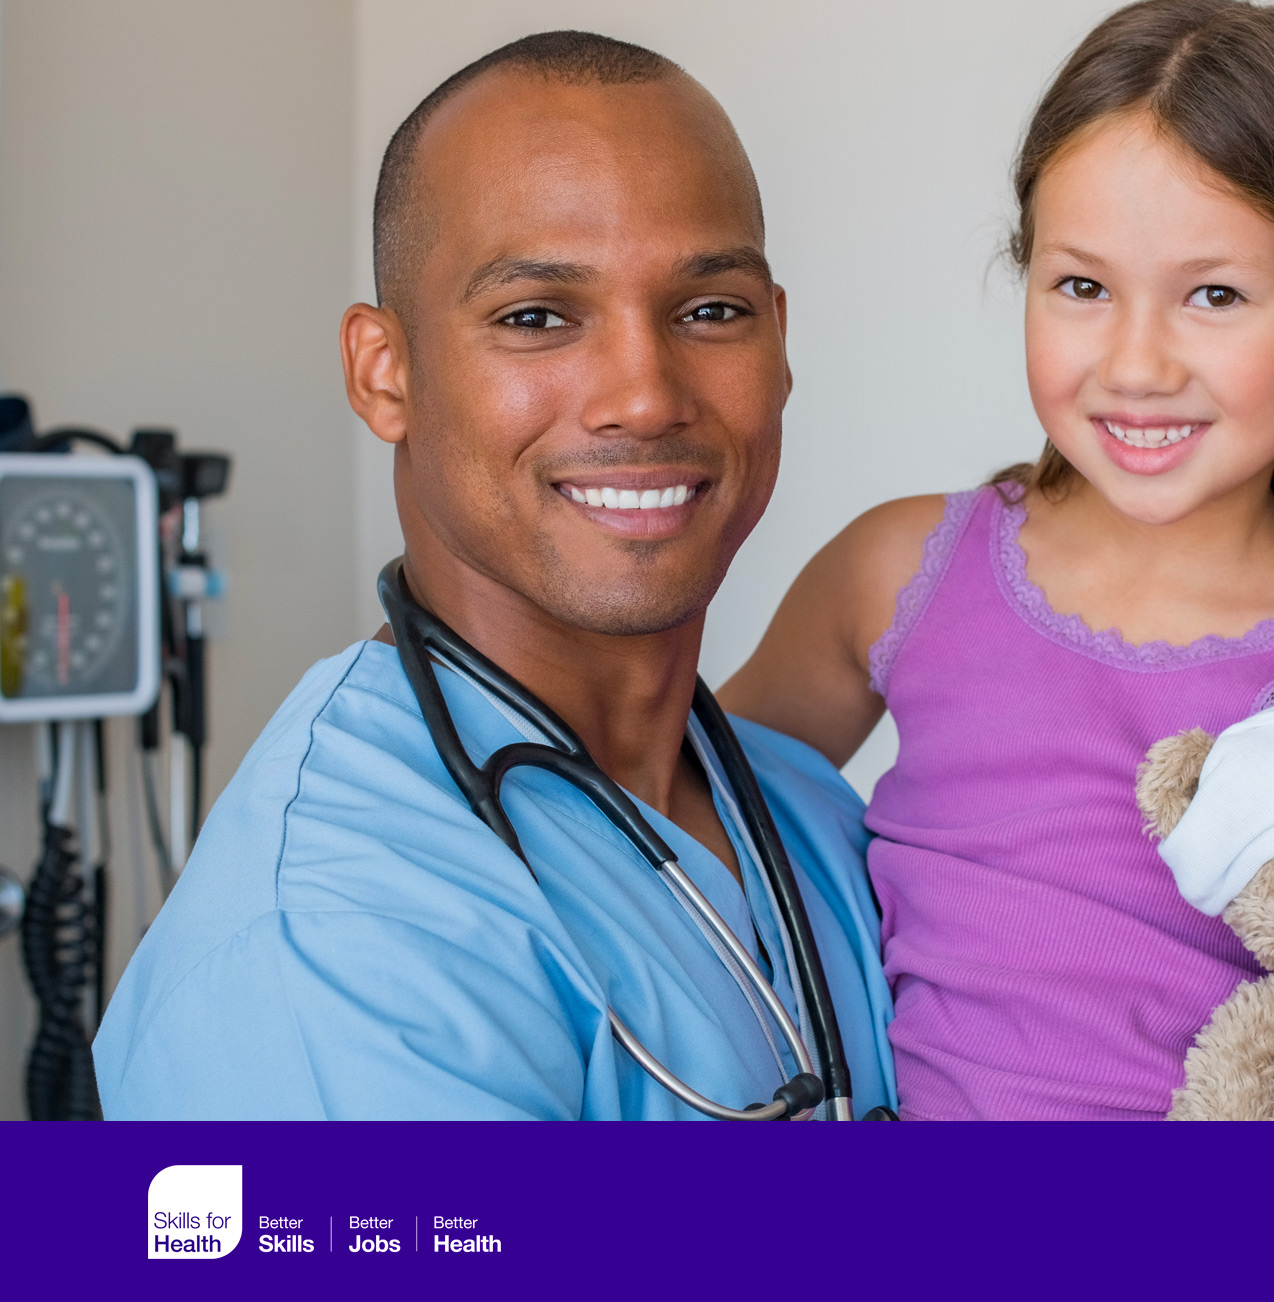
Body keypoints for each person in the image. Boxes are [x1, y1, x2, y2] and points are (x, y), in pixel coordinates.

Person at [721, 0, 1274, 1120]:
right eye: (1083, 287)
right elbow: (681, 821)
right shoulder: (898, 574)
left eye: (1214, 294)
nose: (1137, 365)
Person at [93, 32, 896, 1120]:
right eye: (536, 317)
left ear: (780, 343)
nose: (645, 395)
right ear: (385, 373)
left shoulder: (806, 814)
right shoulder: (335, 941)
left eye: (711, 310)